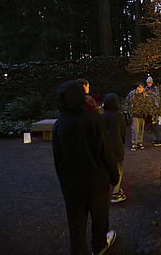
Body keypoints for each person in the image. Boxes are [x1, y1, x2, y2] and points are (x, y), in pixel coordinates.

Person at [52, 80, 119, 255]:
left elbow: (57, 157)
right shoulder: (93, 119)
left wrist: (63, 181)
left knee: (76, 224)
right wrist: (114, 176)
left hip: (72, 185)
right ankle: (99, 246)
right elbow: (105, 151)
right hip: (96, 182)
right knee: (99, 218)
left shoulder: (60, 124)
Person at [102, 93, 127, 203]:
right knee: (118, 169)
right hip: (117, 146)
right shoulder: (120, 116)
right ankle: (116, 192)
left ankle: (106, 189)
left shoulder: (101, 116)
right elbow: (123, 132)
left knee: (105, 168)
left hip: (104, 147)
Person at [125, 82, 147, 151]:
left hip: (142, 114)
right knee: (135, 129)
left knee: (141, 129)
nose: (140, 89)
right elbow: (127, 101)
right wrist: (128, 110)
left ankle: (140, 142)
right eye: (139, 87)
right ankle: (134, 143)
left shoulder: (145, 95)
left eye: (141, 87)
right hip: (134, 114)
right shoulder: (132, 94)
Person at [144, 76, 161, 147]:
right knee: (153, 124)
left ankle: (159, 139)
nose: (148, 84)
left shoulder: (155, 89)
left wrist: (151, 93)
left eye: (149, 83)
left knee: (155, 124)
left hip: (155, 108)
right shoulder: (146, 88)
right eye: (147, 83)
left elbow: (157, 97)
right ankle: (157, 138)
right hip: (150, 108)